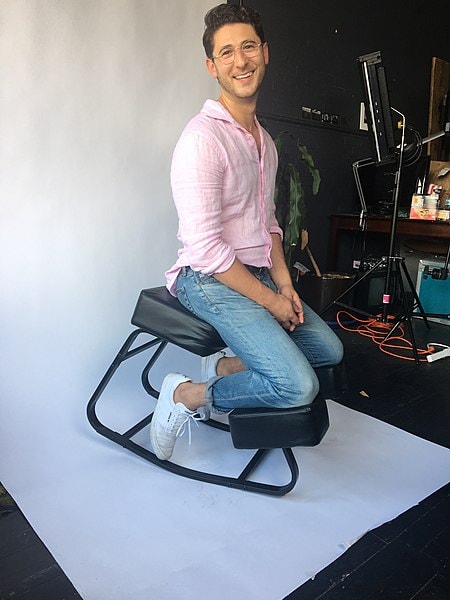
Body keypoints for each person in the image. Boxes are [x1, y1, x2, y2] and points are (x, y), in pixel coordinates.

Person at [150, 3, 343, 460]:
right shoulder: (202, 139)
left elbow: (269, 225)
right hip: (206, 278)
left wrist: (285, 285)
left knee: (328, 350)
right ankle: (185, 397)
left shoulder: (265, 142)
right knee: (297, 385)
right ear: (211, 66)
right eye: (227, 52)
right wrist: (271, 303)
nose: (241, 61)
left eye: (249, 47)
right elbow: (207, 250)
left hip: (256, 272)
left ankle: (226, 367)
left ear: (266, 52)